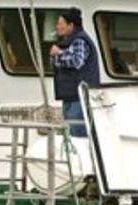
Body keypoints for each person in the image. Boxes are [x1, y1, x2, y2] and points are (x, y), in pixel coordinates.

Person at [50, 8, 100, 137]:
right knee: (70, 128)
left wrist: (58, 53)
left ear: (71, 25)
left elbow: (76, 61)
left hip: (79, 95)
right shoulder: (70, 41)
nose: (57, 26)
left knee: (76, 130)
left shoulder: (79, 40)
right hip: (70, 94)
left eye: (60, 23)